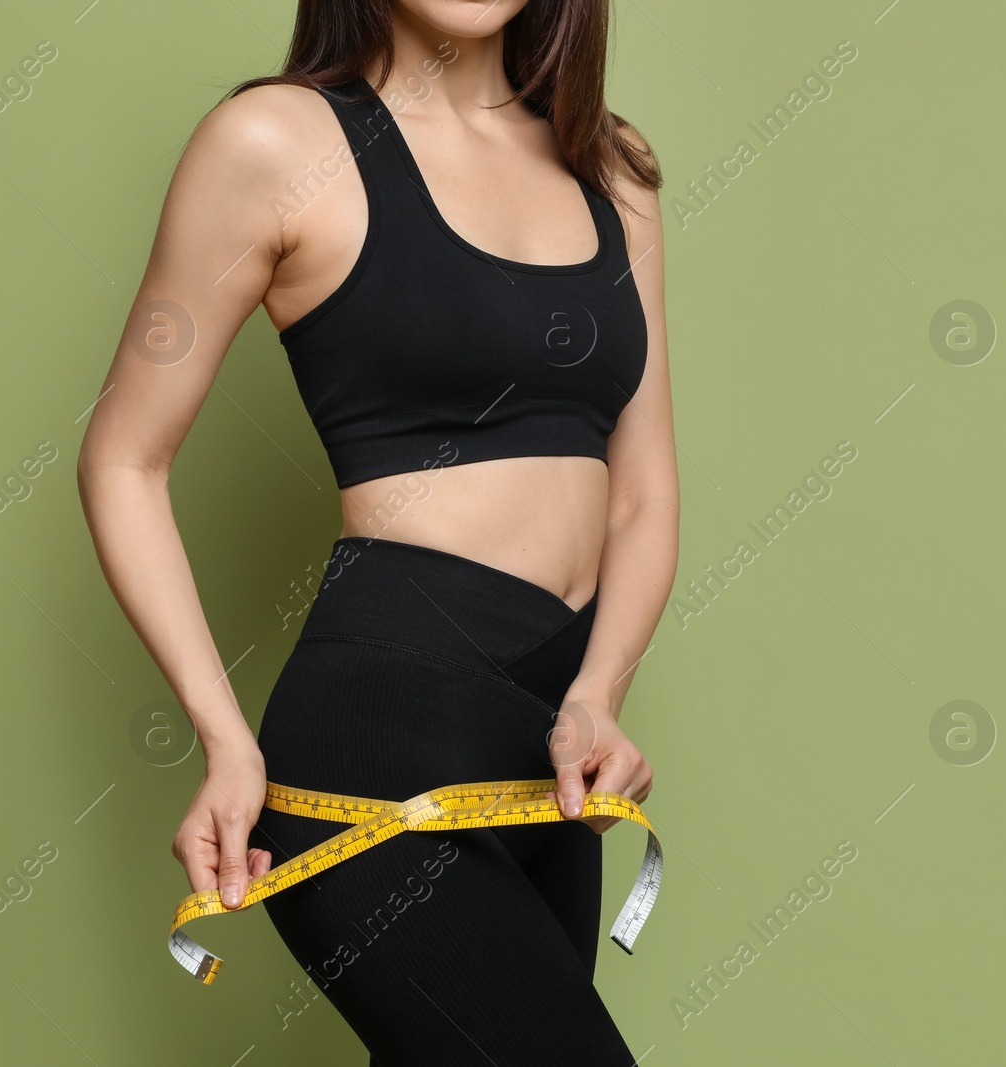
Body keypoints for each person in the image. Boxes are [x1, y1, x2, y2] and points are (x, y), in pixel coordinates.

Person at [75, 0, 676, 1061]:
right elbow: (124, 458)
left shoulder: (610, 168)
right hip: (384, 728)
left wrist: (600, 691)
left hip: (553, 757)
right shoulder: (274, 143)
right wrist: (224, 738)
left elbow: (641, 487)